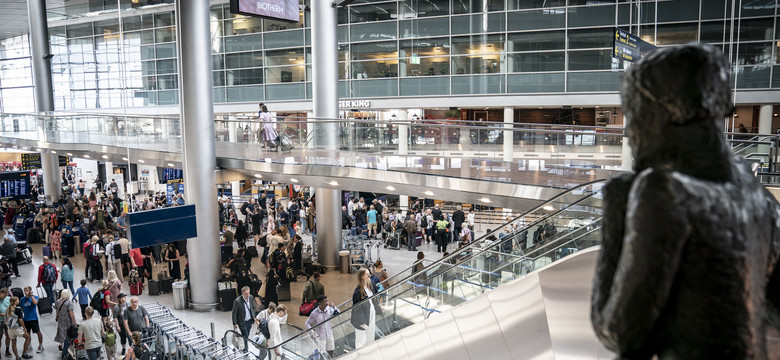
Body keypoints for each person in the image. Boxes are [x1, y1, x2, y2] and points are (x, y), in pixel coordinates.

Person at [351, 268, 382, 349]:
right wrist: (361, 321)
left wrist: (378, 309)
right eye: (367, 275)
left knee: (370, 335)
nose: (370, 276)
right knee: (361, 340)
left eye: (369, 274)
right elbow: (356, 308)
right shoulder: (357, 292)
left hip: (371, 313)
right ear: (362, 277)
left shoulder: (371, 285)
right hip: (362, 318)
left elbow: (375, 298)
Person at [19, 287, 43, 354]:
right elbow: (21, 308)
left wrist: (31, 296)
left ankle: (40, 345)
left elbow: (35, 303)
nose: (26, 292)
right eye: (25, 291)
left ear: (30, 291)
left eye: (27, 291)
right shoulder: (22, 299)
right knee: (28, 333)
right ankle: (29, 345)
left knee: (38, 332)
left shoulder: (35, 297)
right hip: (26, 319)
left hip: (33, 318)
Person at [54, 289, 76, 359]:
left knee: (61, 331)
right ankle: (66, 349)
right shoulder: (69, 302)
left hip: (61, 320)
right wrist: (74, 321)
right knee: (68, 334)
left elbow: (57, 310)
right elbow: (71, 313)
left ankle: (61, 344)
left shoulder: (57, 302)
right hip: (68, 320)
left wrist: (56, 316)